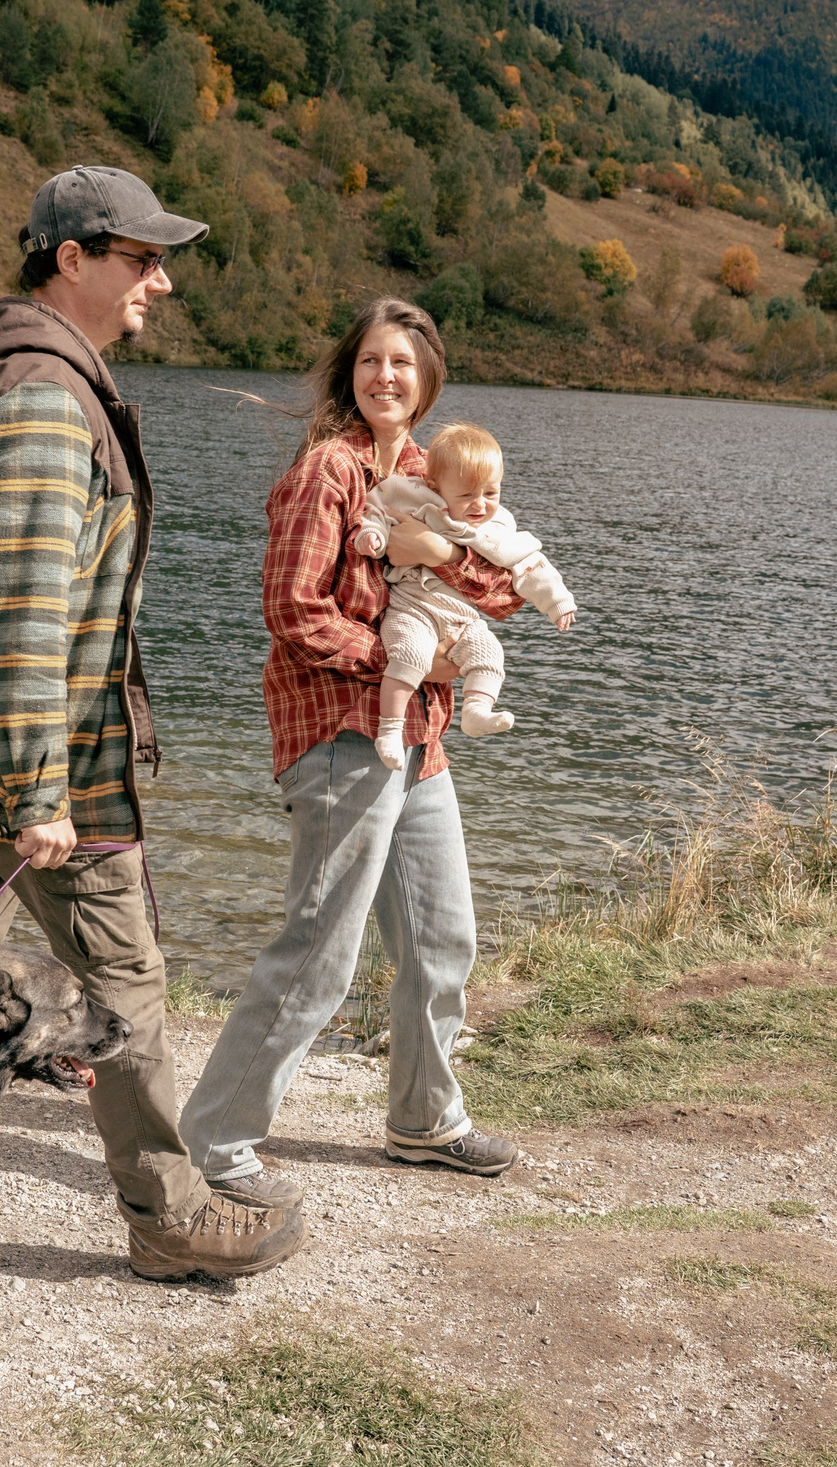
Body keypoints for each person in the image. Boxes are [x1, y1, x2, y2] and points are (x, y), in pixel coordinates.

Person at [0, 165, 310, 1282]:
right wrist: (36, 793)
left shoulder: (46, 382)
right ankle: (168, 1217)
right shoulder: (45, 402)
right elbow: (19, 615)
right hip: (30, 762)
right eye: (140, 257)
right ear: (71, 258)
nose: (160, 279)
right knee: (123, 989)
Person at [179, 299, 528, 1204]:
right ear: (351, 372)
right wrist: (409, 659)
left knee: (444, 938)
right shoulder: (324, 471)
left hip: (421, 741)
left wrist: (433, 558)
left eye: (404, 364)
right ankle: (217, 1138)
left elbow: (505, 589)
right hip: (338, 732)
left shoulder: (430, 471)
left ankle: (422, 1121)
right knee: (321, 951)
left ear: (428, 380)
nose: (386, 377)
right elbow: (293, 612)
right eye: (372, 360)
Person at [350, 422, 576, 768]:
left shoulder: (496, 527)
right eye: (467, 495)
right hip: (414, 607)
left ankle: (475, 712)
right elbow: (378, 508)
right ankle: (390, 730)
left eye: (490, 493)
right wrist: (373, 534)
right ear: (435, 486)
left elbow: (529, 565)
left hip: (464, 618)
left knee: (490, 654)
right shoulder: (413, 496)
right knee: (410, 655)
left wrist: (556, 602)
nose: (480, 505)